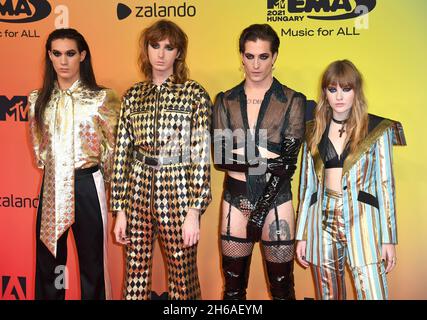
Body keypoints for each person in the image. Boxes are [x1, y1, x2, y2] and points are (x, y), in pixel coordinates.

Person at [111, 19, 212, 300]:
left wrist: (195, 209)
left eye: (169, 48)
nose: (160, 54)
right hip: (138, 189)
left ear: (178, 53)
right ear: (146, 49)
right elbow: (122, 154)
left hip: (178, 188)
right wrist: (120, 209)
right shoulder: (133, 96)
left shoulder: (194, 95)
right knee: (134, 276)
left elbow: (201, 155)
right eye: (154, 46)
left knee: (183, 276)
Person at [295, 60, 406, 300]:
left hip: (362, 219)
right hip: (321, 220)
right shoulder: (313, 131)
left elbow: (386, 185)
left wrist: (389, 238)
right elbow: (307, 188)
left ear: (356, 90)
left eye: (346, 89)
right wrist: (302, 234)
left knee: (373, 293)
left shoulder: (377, 129)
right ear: (325, 92)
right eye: (333, 89)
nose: (339, 96)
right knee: (328, 294)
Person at [212, 24, 306, 300]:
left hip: (277, 200)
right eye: (250, 56)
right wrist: (267, 157)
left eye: (263, 56)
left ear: (274, 57)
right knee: (232, 291)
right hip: (235, 198)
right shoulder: (225, 100)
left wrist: (241, 155)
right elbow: (220, 158)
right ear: (241, 55)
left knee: (282, 289)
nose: (255, 64)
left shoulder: (292, 100)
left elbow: (288, 165)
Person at [28, 28, 120, 300]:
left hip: (88, 185)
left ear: (82, 55)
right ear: (49, 56)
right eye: (56, 54)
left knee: (93, 263)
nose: (63, 61)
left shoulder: (102, 98)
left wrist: (111, 189)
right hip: (53, 184)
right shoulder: (38, 99)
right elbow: (39, 147)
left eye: (70, 53)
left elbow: (114, 149)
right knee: (49, 263)